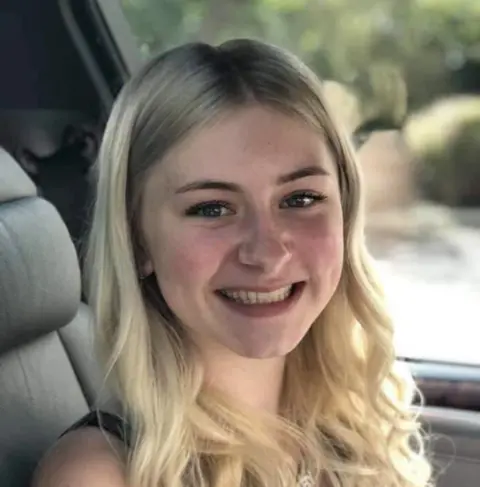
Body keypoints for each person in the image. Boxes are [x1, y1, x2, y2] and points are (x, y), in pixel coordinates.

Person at [32, 39, 432, 487]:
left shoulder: (359, 430)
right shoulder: (101, 475)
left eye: (300, 199)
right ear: (137, 238)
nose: (266, 253)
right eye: (211, 208)